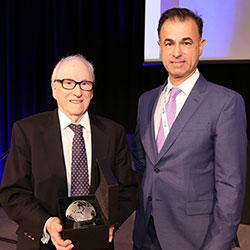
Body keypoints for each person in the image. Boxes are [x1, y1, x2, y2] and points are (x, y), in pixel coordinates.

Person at [131, 7, 247, 250]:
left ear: (200, 46)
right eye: (169, 43)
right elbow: (142, 164)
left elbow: (230, 186)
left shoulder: (225, 102)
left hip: (195, 238)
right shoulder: (146, 101)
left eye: (186, 42)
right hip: (145, 234)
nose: (177, 52)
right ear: (159, 46)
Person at [0, 54, 138, 250]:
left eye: (85, 84)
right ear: (54, 89)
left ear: (92, 91)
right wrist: (47, 223)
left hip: (97, 243)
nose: (78, 91)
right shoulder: (27, 131)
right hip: (43, 243)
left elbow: (128, 190)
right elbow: (12, 193)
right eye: (68, 83)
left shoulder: (113, 133)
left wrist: (110, 221)